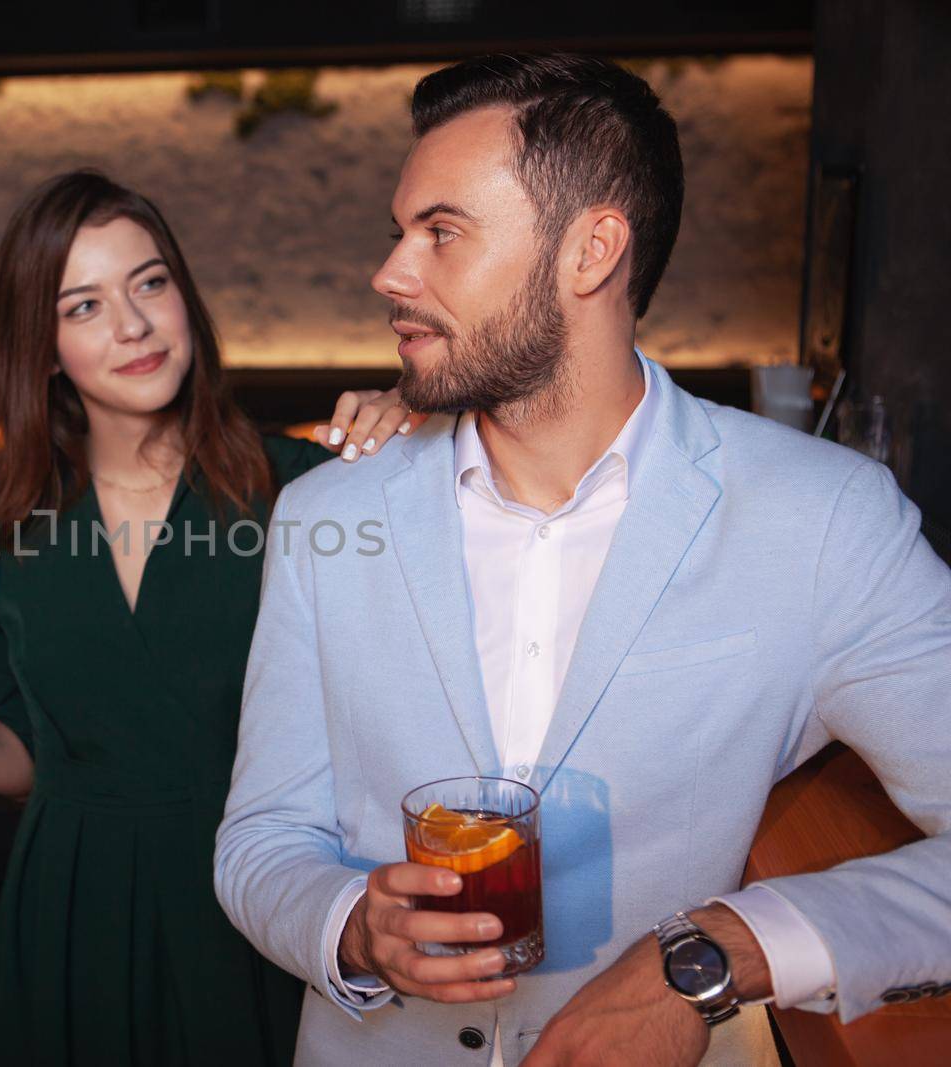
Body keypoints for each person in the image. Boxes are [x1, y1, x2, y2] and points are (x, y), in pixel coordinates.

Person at [215, 52, 951, 1067]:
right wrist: (350, 921)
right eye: (399, 232)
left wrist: (711, 952)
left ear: (591, 249)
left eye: (441, 231)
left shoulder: (821, 520)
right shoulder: (325, 517)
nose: (389, 273)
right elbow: (260, 838)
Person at [0, 170, 414, 1065]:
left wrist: (412, 430)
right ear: (41, 345)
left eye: (150, 283)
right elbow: (27, 756)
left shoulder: (301, 488)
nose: (134, 324)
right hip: (72, 903)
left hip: (255, 899)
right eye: (84, 305)